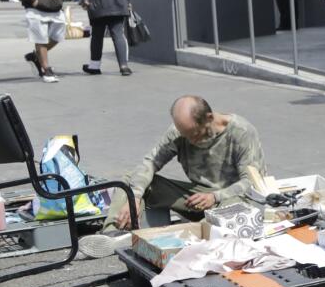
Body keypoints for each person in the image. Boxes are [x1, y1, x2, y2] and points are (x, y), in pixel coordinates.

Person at [108, 95, 267, 228]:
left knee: (235, 204)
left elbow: (251, 183)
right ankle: (112, 233)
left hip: (232, 199)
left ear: (209, 118)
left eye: (195, 134)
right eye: (185, 135)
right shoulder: (179, 132)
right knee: (132, 179)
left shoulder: (242, 132)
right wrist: (134, 197)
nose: (190, 140)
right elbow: (150, 162)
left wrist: (215, 196)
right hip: (197, 199)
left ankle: (200, 232)